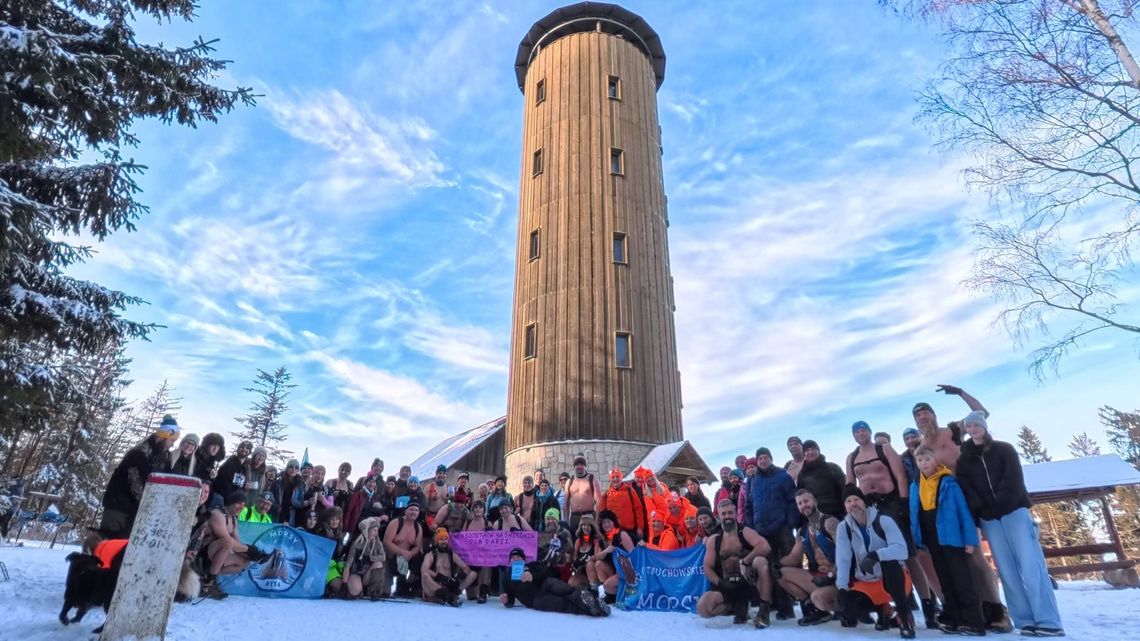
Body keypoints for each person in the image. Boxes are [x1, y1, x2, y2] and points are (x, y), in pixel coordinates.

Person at [956, 412, 1064, 637]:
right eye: (969, 426)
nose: (973, 429)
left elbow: (1013, 479)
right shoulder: (965, 459)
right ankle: (1024, 620)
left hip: (1014, 512)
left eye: (977, 424)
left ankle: (1048, 620)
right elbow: (966, 487)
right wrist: (982, 509)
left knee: (1031, 565)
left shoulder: (1004, 449)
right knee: (1006, 570)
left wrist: (1000, 504)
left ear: (985, 426)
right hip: (990, 519)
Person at [914, 392, 1008, 632]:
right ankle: (971, 608)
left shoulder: (951, 431)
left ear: (934, 415)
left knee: (975, 556)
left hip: (965, 496)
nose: (923, 418)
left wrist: (961, 393)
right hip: (943, 508)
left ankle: (997, 609)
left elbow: (981, 414)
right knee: (956, 562)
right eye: (918, 416)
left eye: (926, 413)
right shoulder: (923, 448)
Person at [846, 420, 934, 626]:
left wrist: (903, 502)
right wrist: (850, 508)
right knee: (879, 555)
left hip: (891, 502)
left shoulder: (883, 448)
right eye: (856, 431)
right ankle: (888, 608)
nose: (860, 433)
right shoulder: (852, 457)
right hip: (869, 508)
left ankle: (929, 605)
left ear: (869, 431)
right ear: (853, 435)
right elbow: (850, 483)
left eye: (863, 430)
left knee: (908, 554)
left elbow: (900, 475)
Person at [908, 445, 984, 636]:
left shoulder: (948, 481)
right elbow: (914, 513)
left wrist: (969, 539)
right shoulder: (916, 484)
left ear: (935, 460)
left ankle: (974, 621)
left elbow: (962, 510)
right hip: (930, 533)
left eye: (927, 459)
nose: (924, 463)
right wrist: (917, 539)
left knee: (961, 577)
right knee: (944, 577)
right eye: (920, 460)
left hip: (951, 534)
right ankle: (954, 618)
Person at [834, 485, 916, 639]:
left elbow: (901, 549)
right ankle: (883, 611)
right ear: (845, 506)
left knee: (890, 563)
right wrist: (842, 587)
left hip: (894, 580)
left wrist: (876, 555)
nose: (853, 504)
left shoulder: (883, 520)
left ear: (864, 502)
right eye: (848, 501)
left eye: (856, 499)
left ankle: (904, 617)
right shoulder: (843, 528)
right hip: (867, 582)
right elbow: (843, 559)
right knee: (848, 611)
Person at [98, 415, 181, 539]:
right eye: (171, 440)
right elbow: (136, 484)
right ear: (163, 437)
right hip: (118, 508)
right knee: (107, 547)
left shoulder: (161, 457)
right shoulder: (139, 453)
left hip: (134, 512)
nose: (172, 445)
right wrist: (151, 507)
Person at [696, 499, 774, 628]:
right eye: (723, 514)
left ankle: (764, 609)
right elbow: (707, 568)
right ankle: (734, 608)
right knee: (703, 608)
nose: (727, 517)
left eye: (730, 513)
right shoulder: (714, 540)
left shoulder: (745, 532)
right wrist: (720, 583)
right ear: (718, 516)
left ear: (735, 513)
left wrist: (745, 561)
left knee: (761, 561)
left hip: (748, 584)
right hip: (727, 586)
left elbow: (765, 546)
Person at [745, 446, 798, 619]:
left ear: (771, 458)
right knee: (766, 566)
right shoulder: (753, 480)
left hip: (781, 528)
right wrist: (752, 528)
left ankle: (788, 606)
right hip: (762, 531)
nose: (762, 461)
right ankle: (774, 602)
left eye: (765, 457)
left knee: (783, 566)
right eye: (759, 458)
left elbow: (792, 500)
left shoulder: (783, 476)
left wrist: (789, 522)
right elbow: (749, 506)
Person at [775, 489, 839, 627]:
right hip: (819, 577)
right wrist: (773, 564)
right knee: (780, 574)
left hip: (839, 579)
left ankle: (846, 609)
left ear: (814, 501)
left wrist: (832, 573)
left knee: (819, 597)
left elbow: (846, 554)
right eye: (800, 503)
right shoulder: (802, 532)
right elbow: (793, 558)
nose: (804, 505)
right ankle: (813, 608)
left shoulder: (830, 522)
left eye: (806, 501)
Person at [501, 547, 609, 617]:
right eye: (513, 558)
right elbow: (510, 599)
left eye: (518, 557)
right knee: (561, 603)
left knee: (564, 589)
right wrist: (506, 601)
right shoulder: (507, 578)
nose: (515, 559)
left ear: (523, 560)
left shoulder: (532, 566)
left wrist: (532, 576)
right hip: (535, 599)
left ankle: (590, 598)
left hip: (545, 584)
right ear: (509, 562)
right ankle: (593, 609)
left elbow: (548, 572)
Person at [199, 490, 269, 599]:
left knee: (245, 562)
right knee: (227, 541)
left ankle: (208, 577)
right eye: (239, 503)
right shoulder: (217, 514)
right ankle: (208, 583)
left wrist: (254, 556)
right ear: (231, 503)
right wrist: (249, 549)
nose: (242, 507)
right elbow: (226, 539)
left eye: (244, 505)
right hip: (203, 552)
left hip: (217, 554)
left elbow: (238, 545)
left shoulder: (234, 520)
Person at [422, 528, 475, 606]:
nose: (444, 542)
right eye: (441, 539)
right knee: (425, 576)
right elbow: (424, 569)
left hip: (451, 586)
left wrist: (457, 578)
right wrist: (441, 578)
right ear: (436, 541)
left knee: (473, 574)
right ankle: (449, 597)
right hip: (436, 586)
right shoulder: (430, 555)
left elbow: (466, 568)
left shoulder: (452, 554)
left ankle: (452, 594)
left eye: (445, 539)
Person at [796, 439, 846, 518]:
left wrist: (845, 512)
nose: (810, 452)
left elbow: (845, 489)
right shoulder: (802, 475)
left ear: (818, 451)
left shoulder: (832, 468)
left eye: (813, 449)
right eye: (807, 450)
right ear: (804, 454)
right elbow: (800, 497)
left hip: (838, 513)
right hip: (814, 516)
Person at [383, 502, 424, 597]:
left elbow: (418, 546)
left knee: (421, 557)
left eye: (416, 510)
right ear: (405, 511)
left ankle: (409, 583)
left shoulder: (418, 527)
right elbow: (386, 542)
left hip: (407, 558)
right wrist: (402, 552)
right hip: (391, 557)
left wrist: (410, 554)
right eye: (411, 509)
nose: (413, 512)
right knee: (384, 592)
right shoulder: (396, 522)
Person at [594, 509, 635, 604]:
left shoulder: (622, 534)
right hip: (615, 570)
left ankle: (619, 591)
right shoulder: (604, 538)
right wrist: (607, 550)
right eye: (604, 522)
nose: (606, 525)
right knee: (598, 564)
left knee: (607, 585)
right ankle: (611, 593)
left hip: (626, 571)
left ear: (614, 522)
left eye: (609, 521)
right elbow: (597, 557)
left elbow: (633, 554)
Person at [597, 467, 648, 541]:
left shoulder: (629, 491)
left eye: (617, 477)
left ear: (621, 478)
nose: (615, 479)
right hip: (614, 532)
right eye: (613, 477)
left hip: (630, 531)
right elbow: (603, 515)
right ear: (610, 479)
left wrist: (640, 528)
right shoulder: (607, 494)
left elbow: (638, 510)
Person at [345, 516, 387, 600]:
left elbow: (383, 557)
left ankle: (374, 591)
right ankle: (358, 588)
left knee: (378, 564)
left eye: (377, 531)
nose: (376, 533)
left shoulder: (378, 543)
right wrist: (344, 581)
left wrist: (371, 558)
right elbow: (348, 562)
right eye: (374, 530)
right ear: (367, 530)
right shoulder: (357, 543)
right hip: (356, 572)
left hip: (368, 572)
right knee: (354, 591)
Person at [463, 500, 492, 603]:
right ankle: (470, 587)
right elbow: (462, 538)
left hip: (483, 554)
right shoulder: (468, 522)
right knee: (471, 596)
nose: (478, 509)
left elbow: (493, 542)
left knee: (485, 564)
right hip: (469, 554)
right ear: (473, 509)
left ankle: (483, 591)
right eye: (476, 507)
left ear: (483, 509)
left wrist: (491, 533)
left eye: (480, 507)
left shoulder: (487, 523)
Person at [566, 455, 602, 530]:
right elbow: (566, 504)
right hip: (574, 517)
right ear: (574, 467)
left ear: (585, 466)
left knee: (589, 540)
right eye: (577, 465)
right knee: (574, 540)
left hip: (589, 516)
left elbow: (599, 502)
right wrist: (566, 521)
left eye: (581, 464)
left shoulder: (592, 479)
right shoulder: (570, 481)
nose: (579, 467)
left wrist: (597, 520)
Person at [212, 440, 252, 504]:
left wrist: (246, 486)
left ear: (249, 452)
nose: (244, 449)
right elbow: (223, 484)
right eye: (242, 447)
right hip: (222, 498)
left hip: (235, 501)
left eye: (247, 448)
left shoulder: (247, 468)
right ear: (238, 449)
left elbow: (242, 484)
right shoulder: (229, 463)